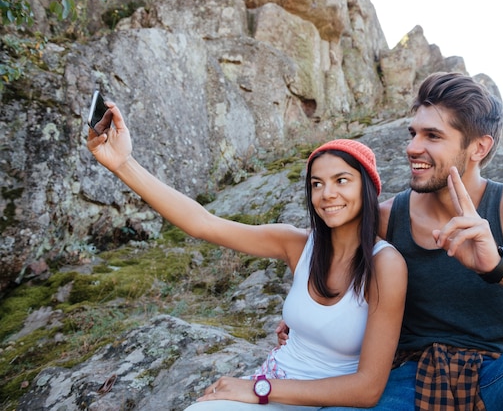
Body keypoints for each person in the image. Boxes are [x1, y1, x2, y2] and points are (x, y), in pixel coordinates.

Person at [278, 72, 503, 410]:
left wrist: (502, 269)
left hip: (499, 379)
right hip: (408, 379)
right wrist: (306, 313)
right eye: (413, 132)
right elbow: (318, 252)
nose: (413, 147)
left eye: (432, 135)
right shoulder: (385, 218)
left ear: (478, 147)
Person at [87, 103, 408, 410]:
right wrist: (122, 164)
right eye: (317, 184)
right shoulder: (298, 244)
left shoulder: (385, 265)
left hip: (301, 396)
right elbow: (204, 224)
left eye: (342, 180)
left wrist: (257, 390)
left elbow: (368, 388)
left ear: (367, 188)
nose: (327, 194)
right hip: (270, 384)